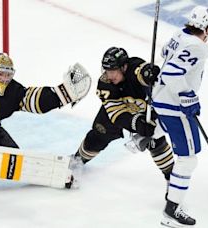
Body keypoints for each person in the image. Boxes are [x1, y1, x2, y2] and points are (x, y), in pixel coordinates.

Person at [152, 6, 208, 227]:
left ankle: (145, 136)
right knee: (188, 160)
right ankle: (171, 210)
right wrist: (187, 95)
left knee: (166, 129)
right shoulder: (198, 46)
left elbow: (163, 55)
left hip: (159, 99)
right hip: (174, 106)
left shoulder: (179, 34)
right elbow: (171, 73)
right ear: (207, 28)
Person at [71, 47, 175, 184]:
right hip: (121, 112)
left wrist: (150, 73)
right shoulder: (105, 83)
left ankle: (173, 180)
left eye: (113, 71)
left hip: (145, 111)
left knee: (155, 140)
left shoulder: (133, 68)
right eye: (107, 71)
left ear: (124, 67)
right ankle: (77, 160)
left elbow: (141, 70)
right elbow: (116, 114)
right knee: (99, 133)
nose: (109, 76)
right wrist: (136, 124)